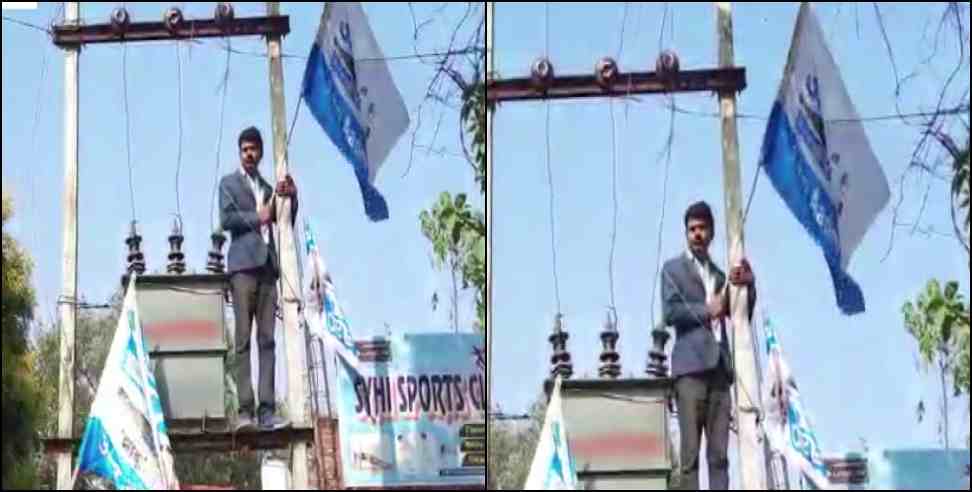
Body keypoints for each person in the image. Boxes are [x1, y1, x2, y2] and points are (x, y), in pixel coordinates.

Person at [660, 201, 756, 490]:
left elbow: (741, 316)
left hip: (719, 373)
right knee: (689, 457)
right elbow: (670, 313)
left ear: (711, 232)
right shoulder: (672, 270)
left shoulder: (720, 275)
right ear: (686, 234)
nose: (697, 234)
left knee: (719, 458)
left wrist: (749, 285)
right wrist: (706, 309)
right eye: (692, 229)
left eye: (702, 228)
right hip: (689, 373)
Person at [220, 126, 298, 432]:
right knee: (242, 341)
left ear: (261, 152)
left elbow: (285, 219)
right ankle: (245, 412)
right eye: (244, 149)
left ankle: (267, 412)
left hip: (267, 269)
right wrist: (258, 217)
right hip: (241, 270)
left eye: (253, 149)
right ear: (240, 153)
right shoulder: (228, 184)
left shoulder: (269, 187)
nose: (249, 154)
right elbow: (226, 220)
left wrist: (292, 196)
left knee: (267, 341)